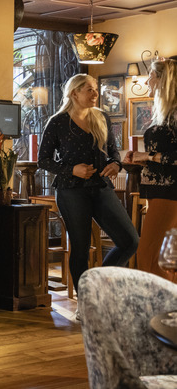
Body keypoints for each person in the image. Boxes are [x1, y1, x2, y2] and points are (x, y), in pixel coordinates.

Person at [38, 74, 138, 311]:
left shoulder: (102, 117)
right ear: (74, 93)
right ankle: (87, 306)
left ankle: (98, 284)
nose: (95, 94)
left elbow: (113, 152)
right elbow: (43, 160)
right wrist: (71, 169)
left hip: (101, 188)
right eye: (89, 90)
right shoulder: (58, 122)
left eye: (95, 90)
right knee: (80, 248)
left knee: (129, 241)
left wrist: (117, 164)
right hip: (71, 191)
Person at [123, 56, 177, 279]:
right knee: (166, 258)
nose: (147, 82)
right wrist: (141, 159)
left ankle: (160, 307)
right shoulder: (165, 115)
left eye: (151, 76)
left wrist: (150, 156)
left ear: (164, 80)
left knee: (149, 255)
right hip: (160, 192)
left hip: (170, 192)